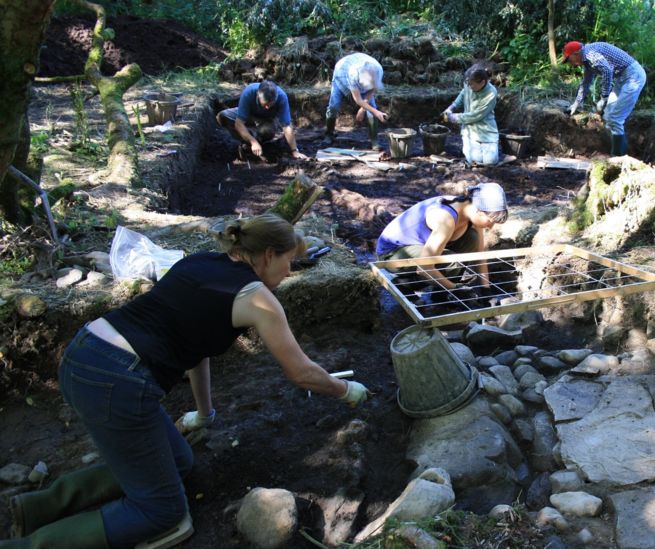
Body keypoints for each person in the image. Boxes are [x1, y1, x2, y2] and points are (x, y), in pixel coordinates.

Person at [5, 214, 367, 549]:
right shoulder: (259, 299)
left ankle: (35, 508)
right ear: (269, 255)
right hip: (117, 382)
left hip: (84, 352)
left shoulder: (199, 262)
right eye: (289, 260)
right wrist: (346, 390)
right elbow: (300, 372)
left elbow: (196, 348)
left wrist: (204, 414)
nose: (290, 271)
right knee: (161, 511)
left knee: (179, 461)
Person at [376, 182, 508, 298]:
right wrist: (455, 289)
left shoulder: (470, 212)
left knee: (472, 239)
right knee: (453, 265)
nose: (491, 226)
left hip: (422, 247)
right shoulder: (446, 219)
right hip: (392, 253)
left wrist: (486, 289)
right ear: (478, 210)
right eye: (490, 221)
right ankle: (405, 285)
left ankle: (441, 294)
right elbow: (424, 267)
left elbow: (480, 255)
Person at [562, 41, 646, 157]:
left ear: (576, 53)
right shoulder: (587, 61)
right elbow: (586, 83)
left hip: (633, 77)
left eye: (569, 59)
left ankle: (617, 156)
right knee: (608, 116)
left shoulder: (590, 54)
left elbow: (607, 70)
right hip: (622, 78)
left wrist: (604, 97)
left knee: (615, 118)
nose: (571, 63)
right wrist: (576, 104)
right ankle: (622, 151)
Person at [216, 80, 307, 160]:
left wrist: (295, 151)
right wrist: (253, 141)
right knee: (222, 116)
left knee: (268, 131)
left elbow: (287, 126)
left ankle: (253, 140)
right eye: (265, 104)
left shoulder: (282, 97)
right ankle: (249, 139)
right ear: (258, 95)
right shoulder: (249, 92)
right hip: (249, 115)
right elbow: (239, 123)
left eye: (270, 104)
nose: (267, 107)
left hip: (267, 120)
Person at [324, 53, 388, 150]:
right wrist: (377, 112)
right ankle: (329, 135)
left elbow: (373, 90)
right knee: (334, 106)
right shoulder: (353, 73)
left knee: (371, 107)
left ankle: (374, 142)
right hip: (341, 75)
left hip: (357, 75)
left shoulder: (378, 70)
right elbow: (358, 99)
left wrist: (363, 109)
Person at [442, 65, 499, 166]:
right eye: (467, 83)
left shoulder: (491, 93)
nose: (468, 86)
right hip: (470, 130)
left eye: (471, 84)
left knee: (490, 161)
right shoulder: (469, 82)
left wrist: (452, 117)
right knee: (475, 160)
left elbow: (475, 115)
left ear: (482, 82)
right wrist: (452, 107)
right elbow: (463, 94)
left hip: (487, 130)